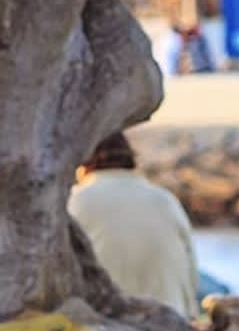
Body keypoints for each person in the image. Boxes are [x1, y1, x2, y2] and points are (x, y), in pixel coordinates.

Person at [68, 133, 199, 319]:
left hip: (109, 329)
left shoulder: (75, 201)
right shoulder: (165, 199)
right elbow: (192, 274)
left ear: (82, 162)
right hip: (172, 322)